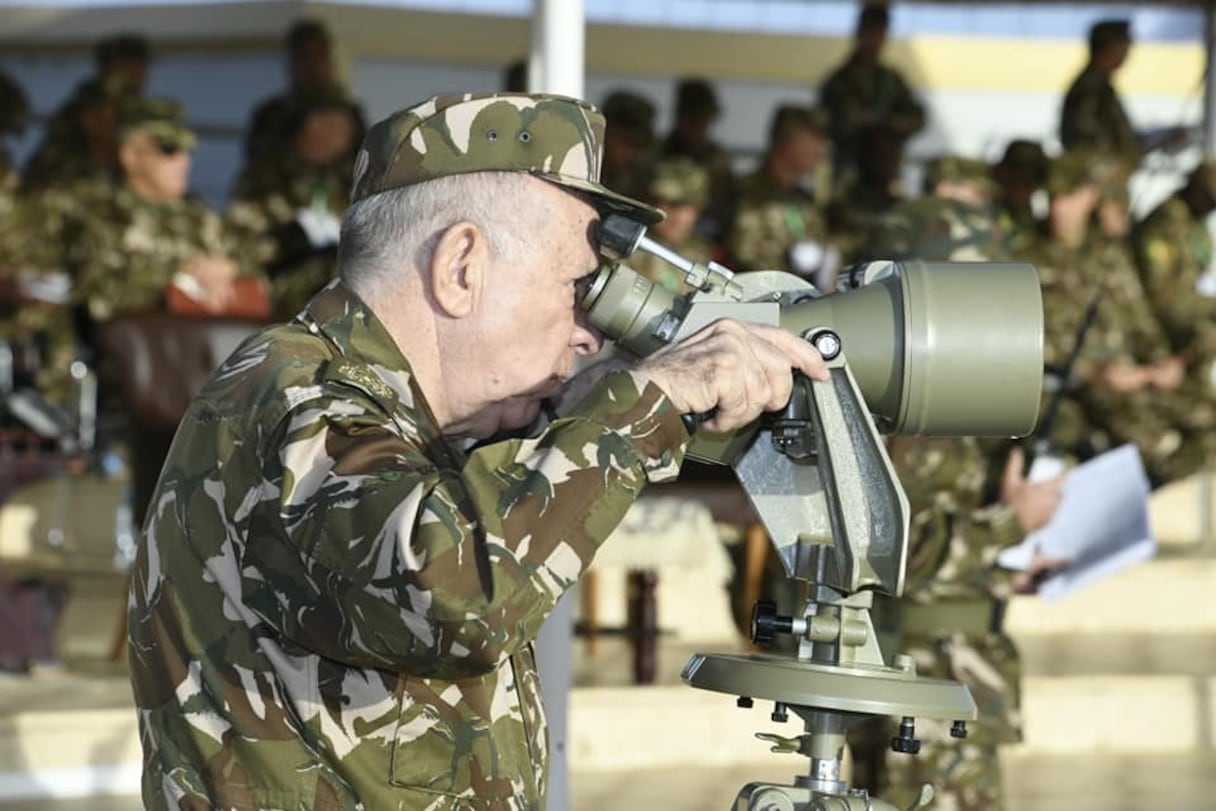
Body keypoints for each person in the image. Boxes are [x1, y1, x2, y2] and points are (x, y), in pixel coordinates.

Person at [127, 91, 828, 809]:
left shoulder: (381, 412)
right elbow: (452, 591)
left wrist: (578, 407)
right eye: (575, 288)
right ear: (461, 265)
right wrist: (644, 404)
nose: (589, 333)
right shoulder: (293, 395)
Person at [228, 83, 360, 318]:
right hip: (280, 300)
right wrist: (286, 242)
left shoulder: (352, 179)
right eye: (338, 124)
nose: (347, 133)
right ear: (314, 124)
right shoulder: (267, 178)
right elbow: (238, 248)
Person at [818, 3, 925, 189]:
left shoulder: (892, 80)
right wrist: (851, 121)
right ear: (860, 34)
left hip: (885, 172)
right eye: (870, 32)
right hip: (848, 169)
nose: (875, 39)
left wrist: (884, 123)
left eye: (880, 33)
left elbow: (917, 119)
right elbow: (822, 122)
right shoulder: (839, 80)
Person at [727, 104, 834, 280]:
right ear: (789, 144)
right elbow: (743, 254)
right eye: (813, 142)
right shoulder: (746, 193)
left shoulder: (803, 200)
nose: (819, 152)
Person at [244, 19, 366, 161]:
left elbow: (368, 171)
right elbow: (256, 165)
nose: (312, 66)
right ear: (291, 63)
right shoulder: (269, 116)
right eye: (304, 57)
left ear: (329, 61)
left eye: (319, 56)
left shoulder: (351, 117)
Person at [1059, 20, 1142, 168]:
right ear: (1109, 48)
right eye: (1123, 45)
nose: (1127, 52)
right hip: (1096, 181)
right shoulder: (1091, 87)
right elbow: (1084, 142)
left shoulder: (1099, 85)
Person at [659, 78, 735, 240]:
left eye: (704, 120)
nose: (699, 127)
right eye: (693, 119)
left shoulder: (717, 159)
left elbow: (726, 204)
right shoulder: (657, 155)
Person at [630, 157, 715, 294]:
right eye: (671, 205)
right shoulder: (631, 248)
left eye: (687, 206)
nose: (678, 217)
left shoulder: (700, 254)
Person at [600, 89, 657, 201]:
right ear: (606, 134)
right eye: (628, 142)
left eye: (640, 145)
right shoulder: (581, 172)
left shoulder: (640, 179)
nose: (633, 152)